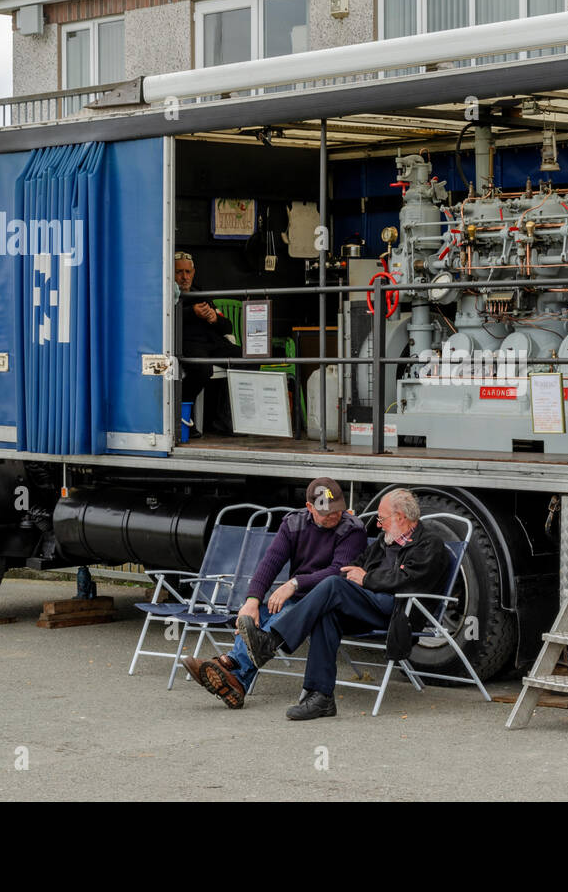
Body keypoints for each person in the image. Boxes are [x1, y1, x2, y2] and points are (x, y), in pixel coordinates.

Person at [236, 488, 448, 720]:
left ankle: (271, 641)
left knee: (333, 585)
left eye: (381, 518)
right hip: (372, 605)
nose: (378, 524)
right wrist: (357, 575)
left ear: (400, 517)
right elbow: (355, 566)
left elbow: (409, 581)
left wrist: (366, 578)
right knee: (327, 613)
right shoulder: (385, 541)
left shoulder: (430, 544)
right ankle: (321, 698)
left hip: (398, 613)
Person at [182, 478, 366, 709]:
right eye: (326, 512)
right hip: (297, 595)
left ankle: (230, 663)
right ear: (309, 508)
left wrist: (294, 584)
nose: (333, 516)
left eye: (337, 510)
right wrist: (251, 601)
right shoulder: (294, 523)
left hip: (328, 600)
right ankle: (236, 681)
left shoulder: (353, 529)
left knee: (284, 612)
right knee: (254, 617)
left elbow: (337, 572)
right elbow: (270, 562)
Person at [175, 251, 241, 436]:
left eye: (188, 272)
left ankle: (227, 421)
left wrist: (214, 319)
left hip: (213, 344)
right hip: (187, 344)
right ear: (170, 273)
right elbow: (165, 321)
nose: (184, 277)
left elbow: (227, 327)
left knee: (246, 358)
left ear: (193, 272)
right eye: (179, 272)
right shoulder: (167, 295)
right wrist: (191, 312)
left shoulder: (201, 293)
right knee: (202, 369)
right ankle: (181, 418)